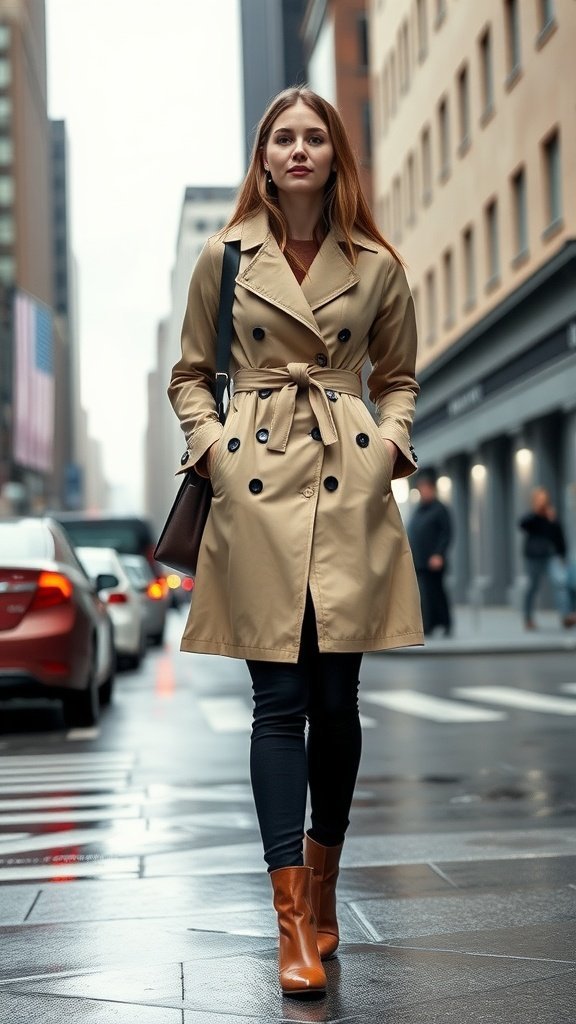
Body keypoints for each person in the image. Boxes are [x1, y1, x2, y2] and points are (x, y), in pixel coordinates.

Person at [168, 87, 423, 998]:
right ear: (264, 156)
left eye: (316, 136)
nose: (301, 150)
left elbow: (398, 377)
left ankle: (324, 888)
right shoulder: (225, 258)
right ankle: (293, 927)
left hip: (348, 485)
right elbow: (190, 374)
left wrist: (390, 444)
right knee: (277, 700)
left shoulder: (377, 263)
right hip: (258, 486)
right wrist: (215, 452)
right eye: (285, 137)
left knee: (338, 699)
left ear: (334, 154)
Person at [519, 487, 575, 630]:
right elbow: (522, 524)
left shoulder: (551, 517)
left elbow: (559, 535)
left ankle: (566, 616)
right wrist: (537, 514)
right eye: (540, 500)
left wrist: (563, 554)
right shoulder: (531, 517)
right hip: (534, 556)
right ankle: (528, 618)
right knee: (532, 587)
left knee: (560, 583)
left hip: (551, 555)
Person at [407, 468, 453, 637]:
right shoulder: (419, 509)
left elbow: (446, 534)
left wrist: (439, 554)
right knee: (425, 595)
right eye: (421, 488)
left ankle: (446, 624)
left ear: (432, 489)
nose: (423, 492)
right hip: (420, 560)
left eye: (426, 488)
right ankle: (429, 624)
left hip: (434, 561)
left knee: (438, 593)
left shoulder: (440, 509)